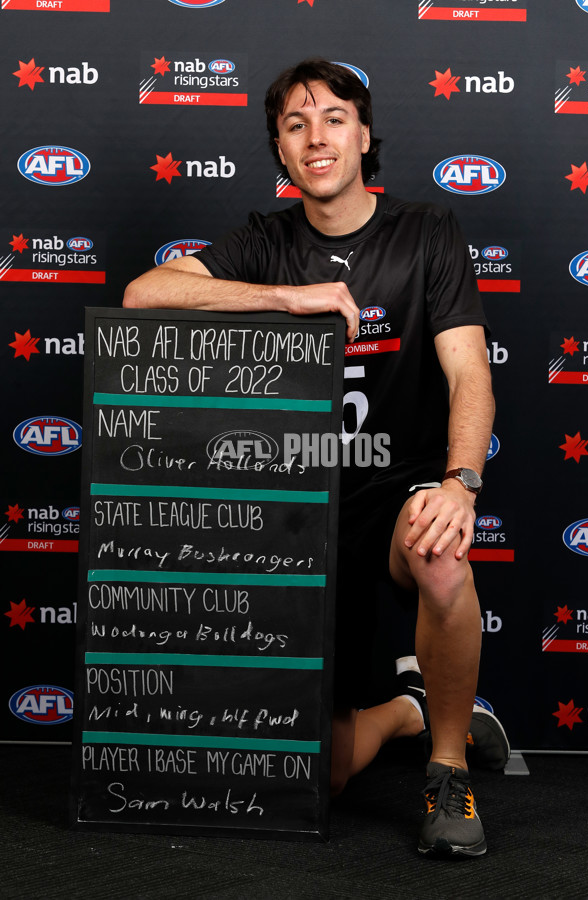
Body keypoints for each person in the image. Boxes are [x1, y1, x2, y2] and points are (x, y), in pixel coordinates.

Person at [124, 58, 497, 858]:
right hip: (291, 515)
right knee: (312, 777)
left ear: (364, 135)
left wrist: (461, 483)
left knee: (441, 556)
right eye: (295, 125)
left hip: (398, 493)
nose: (316, 137)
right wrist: (289, 298)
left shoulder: (426, 233)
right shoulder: (266, 240)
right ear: (281, 151)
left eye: (333, 118)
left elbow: (470, 372)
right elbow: (143, 294)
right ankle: (411, 706)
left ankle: (448, 767)